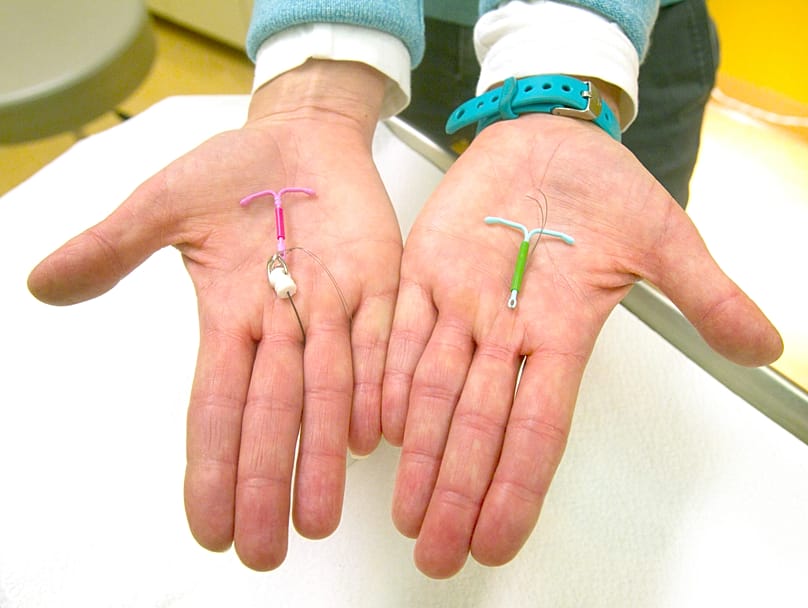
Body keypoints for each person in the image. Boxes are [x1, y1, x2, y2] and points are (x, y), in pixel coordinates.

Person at [27, 0, 782, 579]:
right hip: (408, 43)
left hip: (616, 47)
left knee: (614, 306)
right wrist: (324, 65)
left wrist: (567, 52)